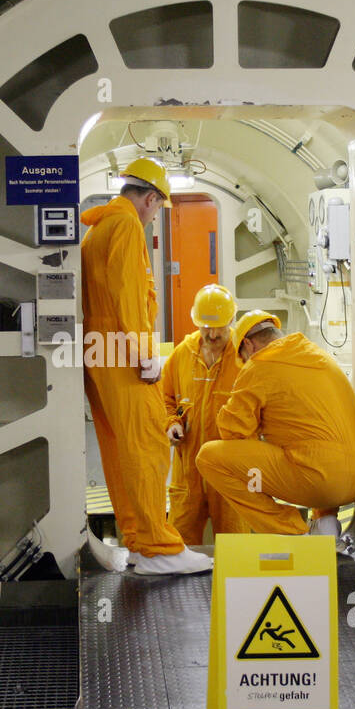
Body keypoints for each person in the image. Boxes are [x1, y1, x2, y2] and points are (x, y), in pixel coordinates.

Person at [80, 158, 212, 576]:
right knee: (148, 448)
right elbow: (129, 294)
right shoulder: (125, 225)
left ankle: (138, 542)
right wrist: (145, 355)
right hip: (122, 355)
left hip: (99, 355)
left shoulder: (98, 228)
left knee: (122, 453)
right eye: (157, 208)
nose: (155, 215)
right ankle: (158, 549)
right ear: (150, 198)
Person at [195, 311, 355, 538]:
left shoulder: (259, 365)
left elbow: (233, 432)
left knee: (209, 457)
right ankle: (325, 522)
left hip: (321, 481)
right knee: (310, 443)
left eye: (244, 357)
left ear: (249, 345)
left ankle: (294, 531)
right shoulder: (318, 355)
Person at [160, 283, 245, 544]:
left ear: (231, 320)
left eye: (218, 326)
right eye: (205, 326)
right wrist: (171, 423)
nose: (211, 333)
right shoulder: (181, 356)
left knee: (235, 550)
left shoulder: (244, 359)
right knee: (179, 549)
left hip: (230, 475)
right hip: (188, 476)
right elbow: (164, 399)